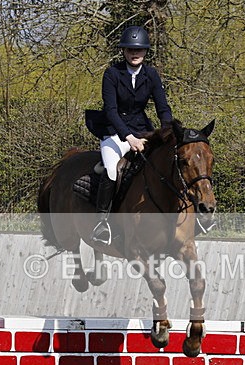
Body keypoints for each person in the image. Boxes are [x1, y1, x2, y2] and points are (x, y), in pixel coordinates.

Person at [87, 25, 173, 245]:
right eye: (130, 50)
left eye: (139, 50)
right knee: (112, 170)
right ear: (124, 51)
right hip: (114, 131)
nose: (135, 54)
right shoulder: (112, 74)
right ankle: (102, 223)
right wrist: (129, 138)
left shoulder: (151, 74)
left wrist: (167, 131)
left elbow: (162, 107)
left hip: (142, 128)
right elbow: (111, 111)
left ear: (145, 52)